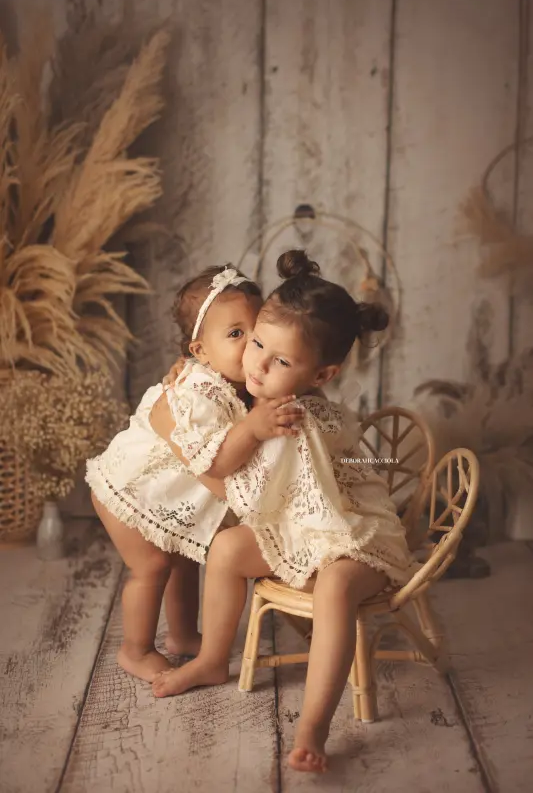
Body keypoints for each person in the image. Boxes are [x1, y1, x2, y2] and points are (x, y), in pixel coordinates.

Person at [150, 250, 417, 774]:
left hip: (351, 532)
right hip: (301, 529)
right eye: (255, 343)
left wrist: (188, 448)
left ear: (323, 373)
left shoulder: (289, 421)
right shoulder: (260, 399)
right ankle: (210, 661)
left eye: (280, 361)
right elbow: (269, 511)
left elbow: (243, 496)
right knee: (226, 549)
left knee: (335, 586)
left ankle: (314, 725)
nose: (256, 364)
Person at [86, 265, 303, 682]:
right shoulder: (199, 393)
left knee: (182, 561)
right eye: (234, 334)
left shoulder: (238, 383)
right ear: (201, 352)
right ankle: (135, 649)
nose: (250, 347)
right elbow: (214, 459)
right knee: (151, 566)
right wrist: (253, 430)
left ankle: (183, 636)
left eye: (254, 334)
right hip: (129, 491)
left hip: (163, 497)